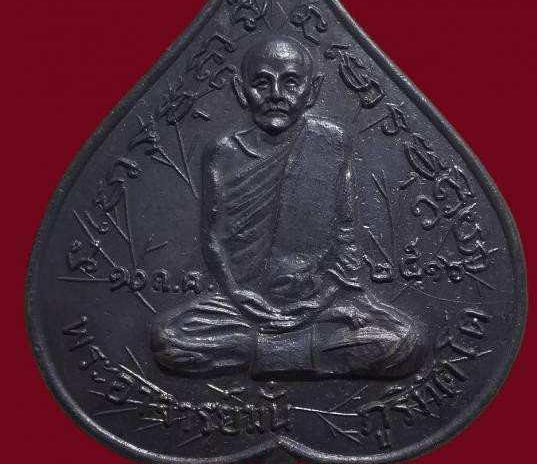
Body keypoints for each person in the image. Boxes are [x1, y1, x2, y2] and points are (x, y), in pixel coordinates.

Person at [151, 35, 428, 378]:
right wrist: (237, 294)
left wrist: (322, 298)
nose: (276, 94)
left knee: (405, 341)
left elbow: (344, 236)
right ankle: (309, 353)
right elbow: (214, 237)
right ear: (241, 90)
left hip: (320, 301)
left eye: (291, 82)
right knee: (167, 340)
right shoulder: (223, 152)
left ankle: (260, 351)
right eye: (262, 83)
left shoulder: (331, 142)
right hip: (242, 306)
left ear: (312, 91)